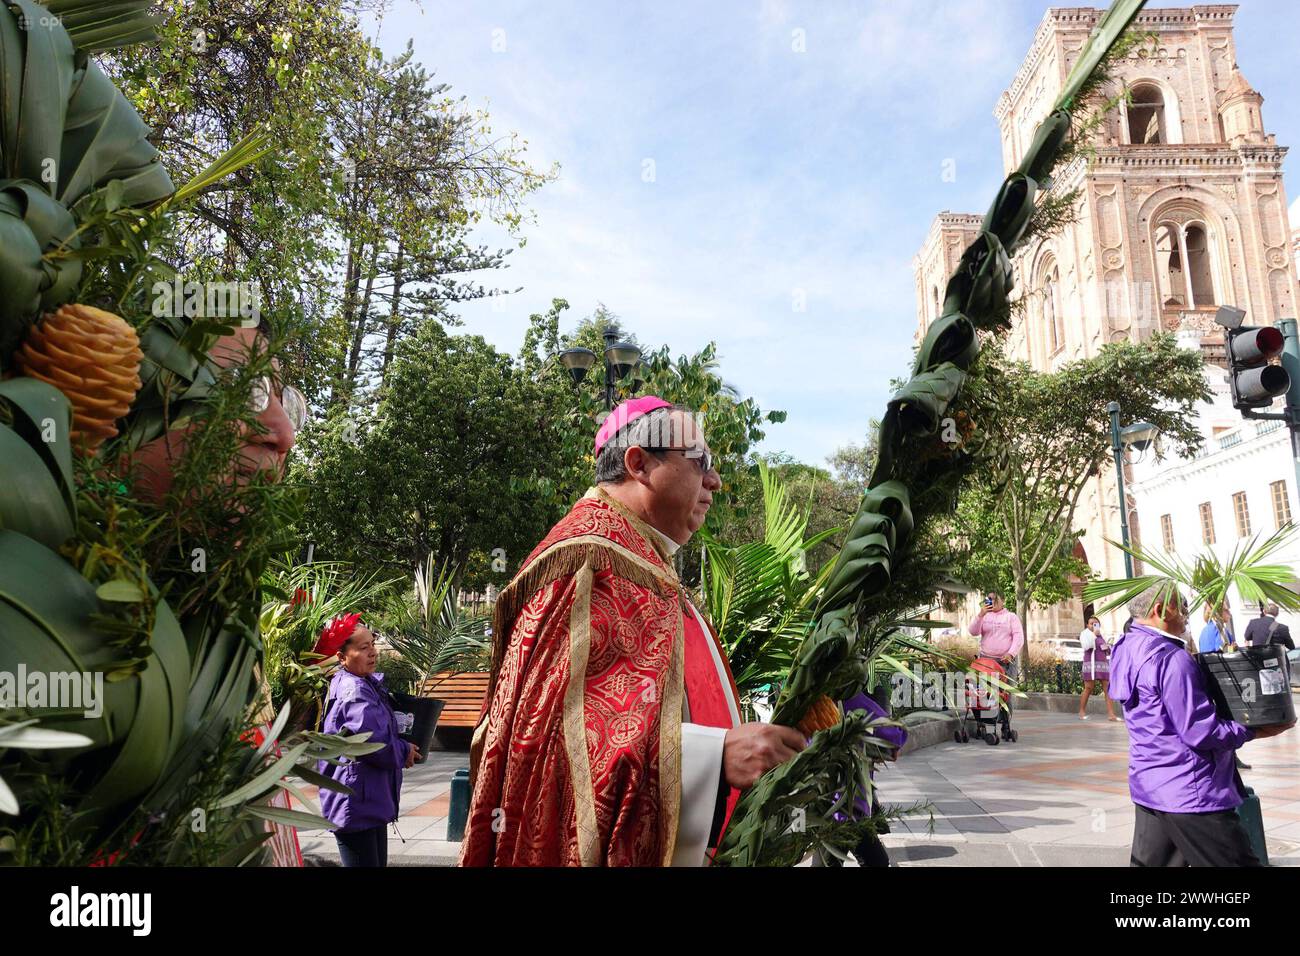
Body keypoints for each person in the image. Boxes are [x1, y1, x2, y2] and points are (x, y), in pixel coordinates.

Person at [460, 396, 805, 866]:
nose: (715, 481)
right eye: (700, 461)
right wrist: (713, 758)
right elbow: (551, 756)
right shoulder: (585, 563)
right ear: (639, 463)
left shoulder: (643, 563)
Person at [1108, 582, 1295, 866]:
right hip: (1189, 790)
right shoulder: (1170, 658)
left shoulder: (1126, 646)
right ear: (1161, 610)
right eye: (1181, 607)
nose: (1186, 614)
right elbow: (1200, 731)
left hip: (1150, 785)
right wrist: (1253, 729)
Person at [316, 613, 418, 867]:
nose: (373, 652)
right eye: (363, 648)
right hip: (355, 802)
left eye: (372, 644)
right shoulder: (354, 690)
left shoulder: (364, 683)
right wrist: (404, 750)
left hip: (367, 800)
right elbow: (373, 742)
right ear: (341, 657)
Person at [1077, 616, 1118, 721]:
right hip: (1090, 664)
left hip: (1102, 664)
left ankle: (1111, 714)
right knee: (1089, 688)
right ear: (1087, 625)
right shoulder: (1085, 634)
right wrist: (1094, 636)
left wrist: (1108, 647)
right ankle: (1081, 712)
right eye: (1092, 623)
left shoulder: (1101, 635)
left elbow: (1103, 648)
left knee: (1107, 688)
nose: (1094, 625)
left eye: (1096, 623)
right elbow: (1086, 646)